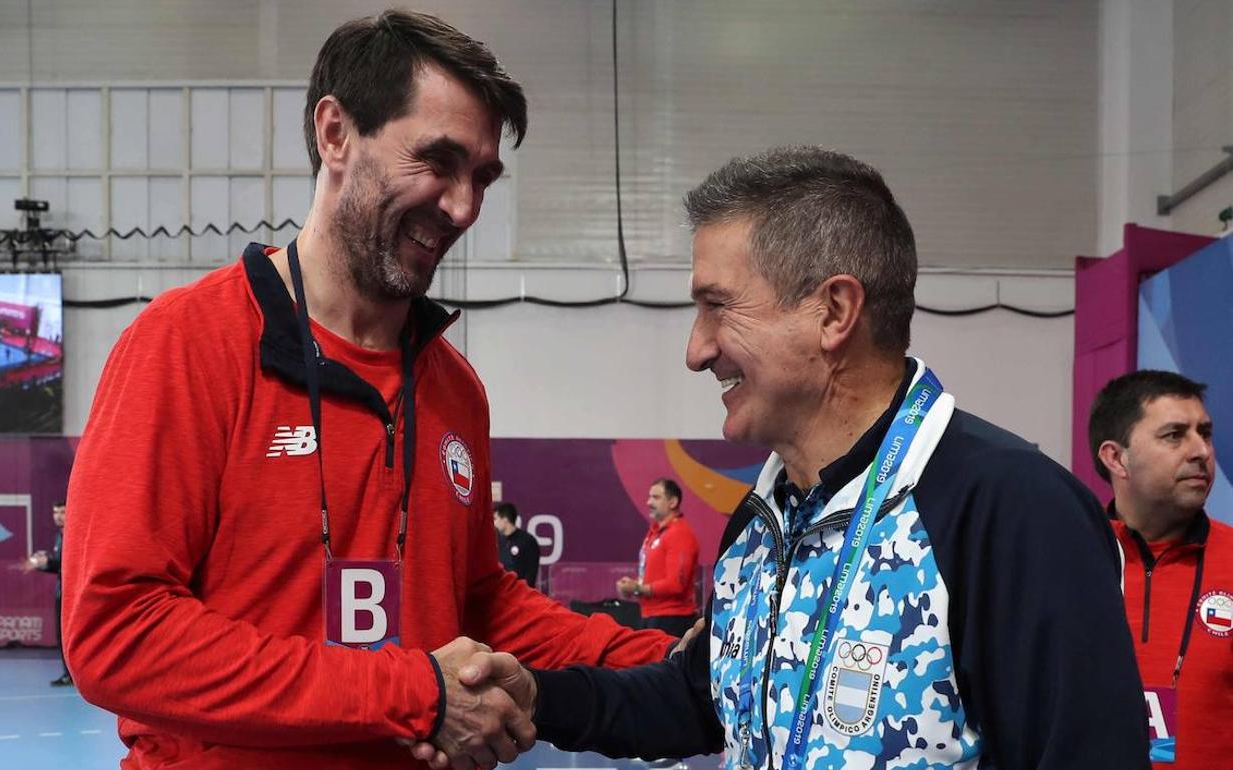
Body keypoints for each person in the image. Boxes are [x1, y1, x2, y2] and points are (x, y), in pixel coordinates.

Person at [62, 10, 672, 770]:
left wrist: (671, 660)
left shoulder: (454, 388)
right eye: (437, 160)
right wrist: (411, 691)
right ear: (335, 134)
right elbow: (117, 632)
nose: (463, 208)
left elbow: (479, 602)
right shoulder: (187, 344)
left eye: (482, 178)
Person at [413, 146, 1152, 770]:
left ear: (834, 312)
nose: (696, 349)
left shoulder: (1011, 511)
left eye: (718, 306)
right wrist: (538, 698)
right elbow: (700, 702)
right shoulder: (764, 518)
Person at [1089, 370, 1232, 769]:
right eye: (1174, 435)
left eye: (1204, 433)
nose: (1201, 451)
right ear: (1116, 458)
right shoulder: (1066, 561)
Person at [616, 479, 700, 637]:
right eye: (649, 497)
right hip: (651, 616)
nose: (648, 502)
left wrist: (637, 588)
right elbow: (653, 577)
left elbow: (676, 585)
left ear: (673, 502)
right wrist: (633, 587)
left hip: (671, 619)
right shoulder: (655, 533)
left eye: (656, 497)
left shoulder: (679, 533)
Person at [25, 500, 71, 686]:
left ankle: (75, 674)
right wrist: (42, 565)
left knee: (70, 635)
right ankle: (68, 674)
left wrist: (49, 562)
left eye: (62, 512)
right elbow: (60, 567)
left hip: (72, 595)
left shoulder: (73, 535)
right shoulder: (59, 536)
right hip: (61, 593)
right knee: (61, 635)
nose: (58, 516)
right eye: (55, 512)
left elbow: (71, 566)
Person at [494, 502, 540, 588]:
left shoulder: (527, 541)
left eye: (495, 519)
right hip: (501, 590)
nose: (494, 523)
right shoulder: (497, 542)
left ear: (505, 519)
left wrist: (523, 591)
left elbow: (531, 572)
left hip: (520, 591)